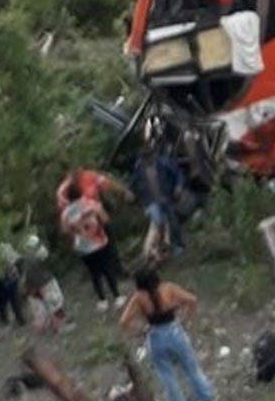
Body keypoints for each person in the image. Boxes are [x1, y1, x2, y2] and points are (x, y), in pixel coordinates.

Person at [120, 268, 216, 401]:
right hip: (174, 330)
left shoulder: (139, 297)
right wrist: (185, 319)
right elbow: (192, 300)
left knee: (167, 375)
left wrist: (141, 330)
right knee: (191, 368)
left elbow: (124, 321)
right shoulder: (168, 288)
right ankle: (208, 400)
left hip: (155, 335)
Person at [60, 181, 127, 312]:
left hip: (82, 246)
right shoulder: (91, 204)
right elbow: (105, 218)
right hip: (99, 241)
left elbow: (65, 230)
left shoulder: (66, 213)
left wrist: (76, 230)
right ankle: (117, 296)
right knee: (107, 269)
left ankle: (102, 300)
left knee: (94, 273)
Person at [129, 143, 186, 260]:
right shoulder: (139, 169)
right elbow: (132, 183)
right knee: (158, 222)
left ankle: (178, 245)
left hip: (166, 197)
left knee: (173, 222)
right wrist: (129, 192)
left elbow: (178, 174)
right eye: (144, 158)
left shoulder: (163, 163)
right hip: (151, 201)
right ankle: (159, 248)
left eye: (149, 157)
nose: (147, 160)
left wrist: (179, 186)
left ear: (153, 155)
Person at [18, 235, 69, 333]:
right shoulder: (35, 257)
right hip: (45, 283)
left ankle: (54, 324)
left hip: (38, 285)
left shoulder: (25, 259)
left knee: (50, 305)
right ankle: (60, 326)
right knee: (56, 304)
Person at [0, 242, 26, 327]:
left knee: (4, 300)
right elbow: (18, 261)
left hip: (4, 277)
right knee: (12, 299)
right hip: (6, 277)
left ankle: (7, 319)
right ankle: (18, 320)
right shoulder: (6, 247)